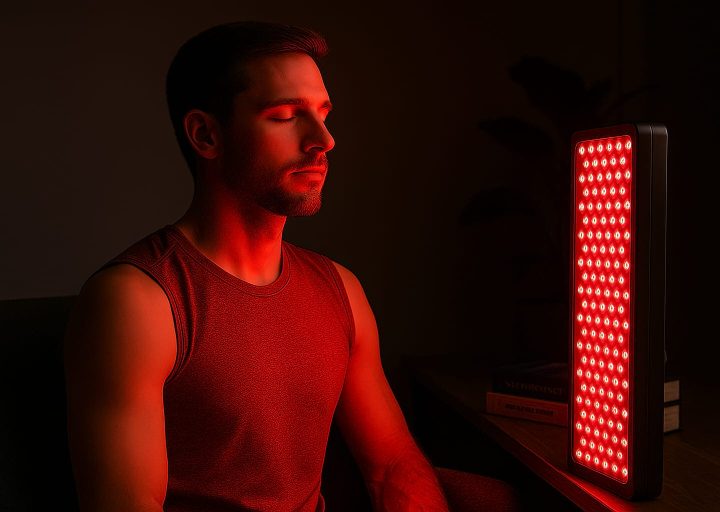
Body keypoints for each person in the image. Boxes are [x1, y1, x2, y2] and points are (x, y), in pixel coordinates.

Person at [63, 21, 451, 512]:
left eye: (323, 113)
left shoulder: (341, 289)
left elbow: (392, 466)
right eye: (286, 116)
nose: (323, 140)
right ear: (206, 134)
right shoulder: (137, 300)